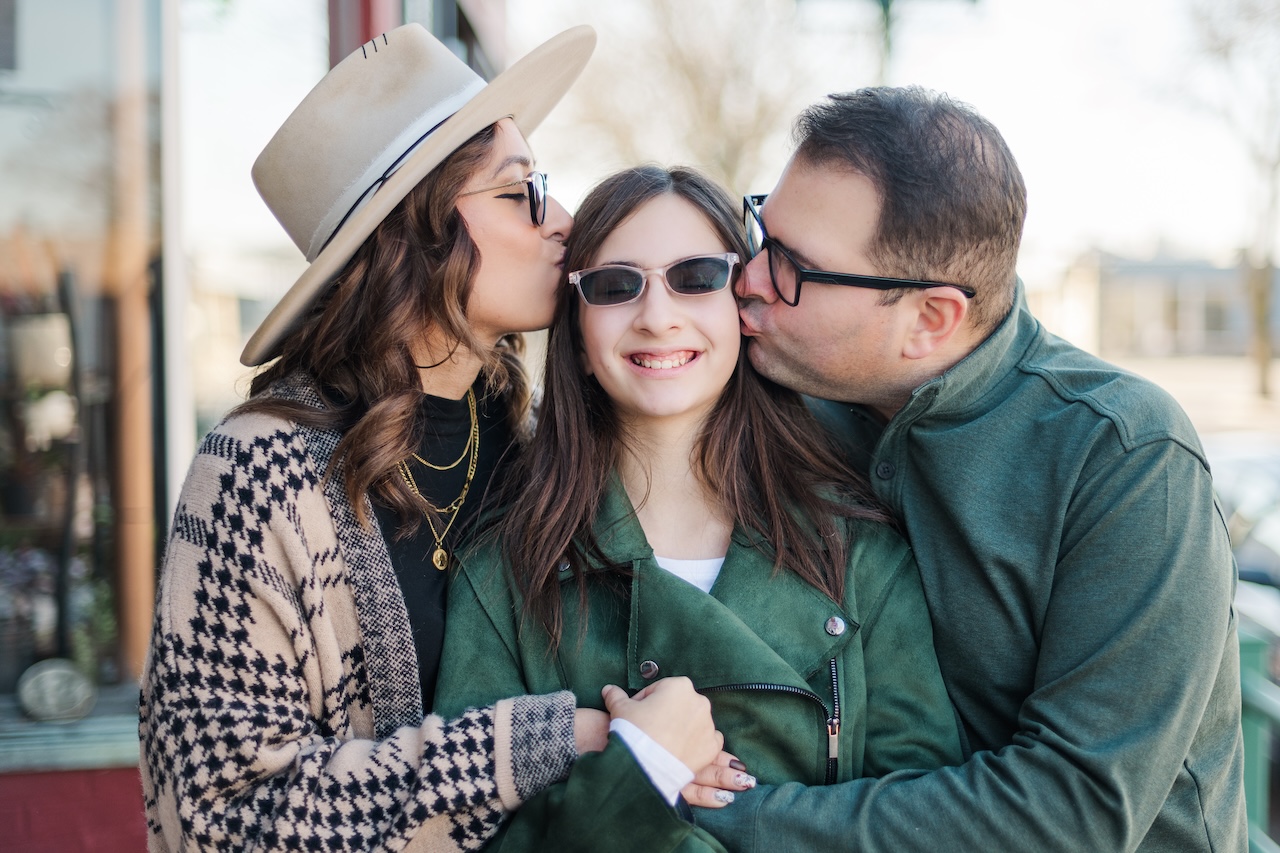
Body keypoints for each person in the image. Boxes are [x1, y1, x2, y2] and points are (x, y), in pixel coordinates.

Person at [139, 25, 722, 853]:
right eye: (521, 189)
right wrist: (558, 741)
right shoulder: (259, 470)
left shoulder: (529, 446)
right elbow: (223, 821)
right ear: (416, 230)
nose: (561, 220)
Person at [694, 85, 1247, 851]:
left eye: (793, 267)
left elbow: (1070, 812)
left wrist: (718, 818)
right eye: (763, 231)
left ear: (930, 319)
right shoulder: (789, 389)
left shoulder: (1126, 459)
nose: (749, 278)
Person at [435, 165, 962, 851]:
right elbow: (465, 838)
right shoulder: (504, 572)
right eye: (616, 286)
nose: (658, 316)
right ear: (579, 338)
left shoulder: (860, 550)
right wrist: (641, 771)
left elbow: (925, 824)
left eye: (696, 277)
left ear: (744, 305)